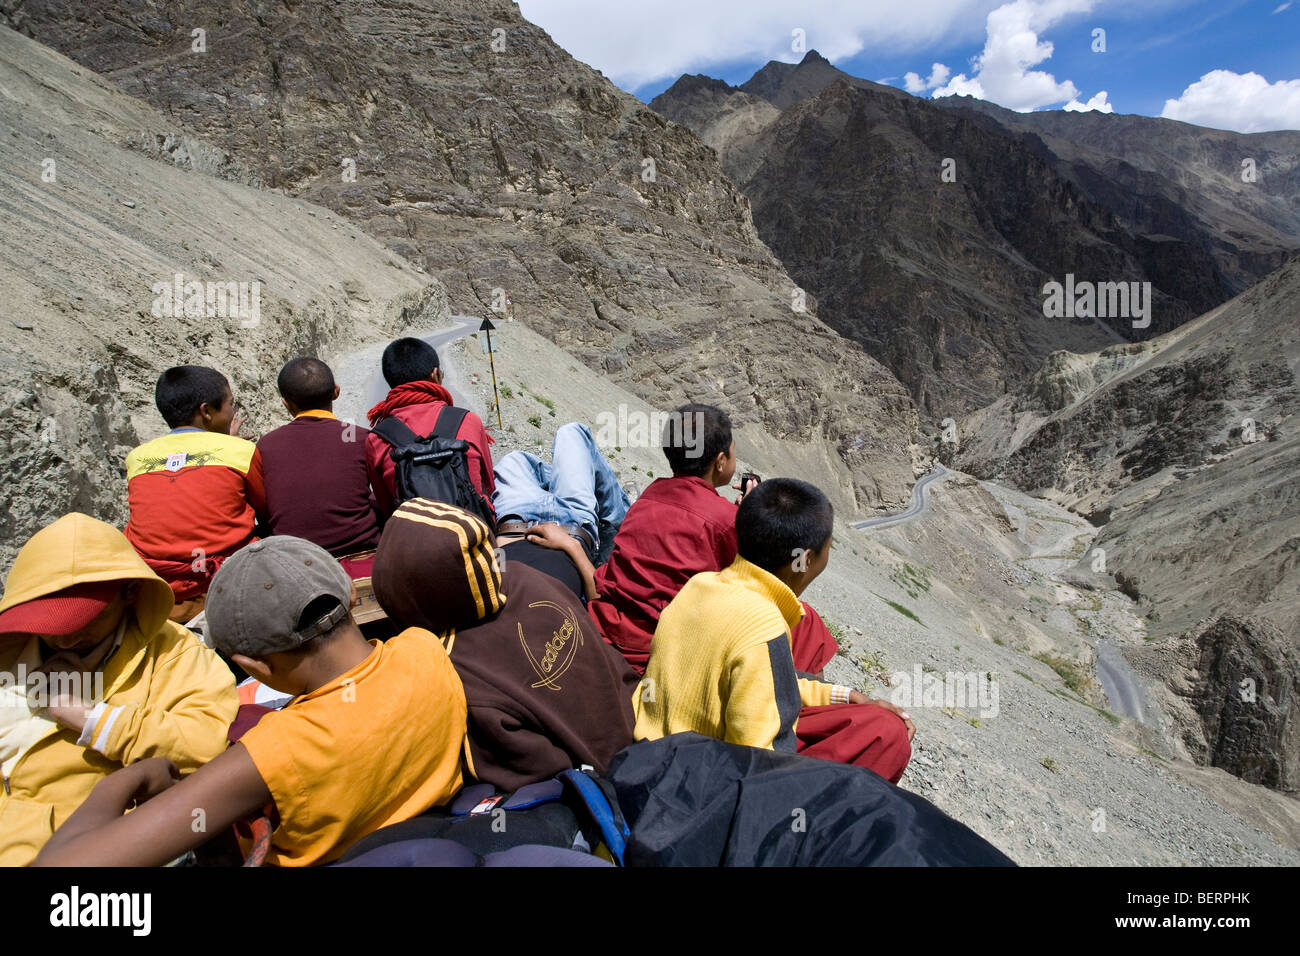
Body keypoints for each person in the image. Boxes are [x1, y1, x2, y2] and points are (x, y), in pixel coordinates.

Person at [32, 536, 469, 867]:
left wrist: (120, 784)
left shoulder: (273, 753)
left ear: (251, 666)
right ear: (352, 597)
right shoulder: (422, 648)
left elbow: (66, 864)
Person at [633, 479, 914, 784]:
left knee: (810, 630)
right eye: (827, 549)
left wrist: (844, 696)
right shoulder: (763, 625)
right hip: (695, 787)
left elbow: (765, 678)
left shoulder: (699, 585)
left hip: (650, 754)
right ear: (806, 560)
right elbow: (758, 764)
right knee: (886, 733)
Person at [0, 513, 238, 866]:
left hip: (87, 853)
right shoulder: (11, 649)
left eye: (82, 618)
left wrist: (95, 720)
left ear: (129, 592)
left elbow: (209, 745)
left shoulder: (175, 654)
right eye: (47, 620)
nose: (63, 636)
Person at [372, 498, 638, 792]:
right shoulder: (524, 576)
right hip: (636, 720)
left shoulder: (454, 671)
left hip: (605, 785)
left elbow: (536, 771)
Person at [589, 404, 838, 675]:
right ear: (720, 461)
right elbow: (759, 577)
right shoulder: (726, 520)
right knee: (806, 621)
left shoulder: (650, 494)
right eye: (732, 452)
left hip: (606, 626)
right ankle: (806, 704)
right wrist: (752, 517)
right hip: (661, 650)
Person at [124, 365, 264, 616]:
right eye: (230, 404)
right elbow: (266, 511)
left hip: (157, 588)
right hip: (222, 581)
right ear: (206, 411)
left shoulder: (137, 458)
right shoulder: (240, 452)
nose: (233, 411)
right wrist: (229, 446)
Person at [247, 357, 381, 557]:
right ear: (336, 391)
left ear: (286, 403)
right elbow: (383, 494)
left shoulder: (264, 446)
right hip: (362, 547)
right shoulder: (360, 437)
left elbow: (264, 511)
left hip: (294, 556)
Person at [492, 422, 631, 601]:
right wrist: (571, 546)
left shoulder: (476, 621)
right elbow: (598, 603)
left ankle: (560, 482)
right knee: (572, 432)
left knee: (516, 459)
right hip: (573, 527)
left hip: (515, 523)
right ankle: (623, 517)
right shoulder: (566, 626)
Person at [365, 337, 495, 520]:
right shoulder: (468, 420)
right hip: (474, 535)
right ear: (435, 374)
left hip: (413, 543)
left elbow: (387, 508)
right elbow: (489, 486)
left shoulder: (377, 438)